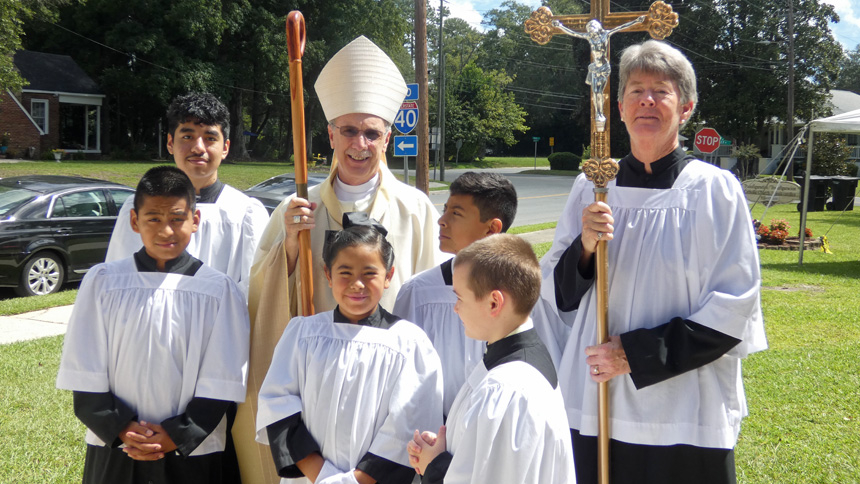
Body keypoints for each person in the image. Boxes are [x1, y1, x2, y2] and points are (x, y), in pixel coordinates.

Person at [542, 40, 767, 483]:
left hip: (683, 402)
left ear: (685, 109)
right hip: (595, 397)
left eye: (661, 91)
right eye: (636, 90)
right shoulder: (591, 186)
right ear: (619, 108)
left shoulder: (714, 191)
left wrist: (635, 354)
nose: (647, 100)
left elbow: (734, 305)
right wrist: (584, 248)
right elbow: (556, 295)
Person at [237, 36, 446, 483]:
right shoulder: (297, 208)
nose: (360, 144)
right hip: (315, 382)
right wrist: (290, 247)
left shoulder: (416, 208)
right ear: (330, 134)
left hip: (391, 381)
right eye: (349, 131)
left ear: (387, 136)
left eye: (372, 132)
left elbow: (432, 302)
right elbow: (261, 294)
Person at [56, 166, 250, 484]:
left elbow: (223, 378)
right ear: (135, 221)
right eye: (153, 219)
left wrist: (177, 434)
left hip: (191, 451)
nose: (166, 231)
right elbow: (84, 367)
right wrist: (120, 428)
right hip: (116, 446)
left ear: (195, 220)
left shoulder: (218, 290)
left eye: (177, 219)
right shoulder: (104, 282)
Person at [256, 214, 443, 484]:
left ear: (388, 276)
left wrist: (354, 481)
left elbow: (408, 424)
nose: (357, 284)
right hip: (309, 478)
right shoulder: (303, 334)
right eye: (345, 273)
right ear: (328, 275)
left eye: (369, 274)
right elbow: (278, 406)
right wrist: (323, 475)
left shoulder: (410, 344)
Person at [407, 234, 575, 484]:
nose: (455, 308)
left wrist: (434, 465)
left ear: (494, 302)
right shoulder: (512, 362)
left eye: (460, 298)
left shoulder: (508, 388)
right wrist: (450, 446)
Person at [106, 92, 270, 297]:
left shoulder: (245, 214)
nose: (198, 148)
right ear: (170, 143)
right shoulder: (140, 206)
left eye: (210, 138)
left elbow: (254, 291)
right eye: (187, 136)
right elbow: (118, 281)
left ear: (225, 148)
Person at [393, 172, 517, 416]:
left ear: (492, 228)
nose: (442, 220)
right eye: (445, 209)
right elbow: (403, 375)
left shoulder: (523, 294)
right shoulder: (418, 293)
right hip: (434, 433)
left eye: (456, 213)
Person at [553, 17, 645, 131]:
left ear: (597, 27)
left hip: (604, 68)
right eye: (589, 29)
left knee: (599, 91)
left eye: (592, 28)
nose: (591, 31)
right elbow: (574, 33)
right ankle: (599, 114)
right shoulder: (589, 38)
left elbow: (621, 27)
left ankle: (600, 114)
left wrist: (636, 21)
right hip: (595, 68)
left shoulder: (605, 35)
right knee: (596, 92)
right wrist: (560, 26)